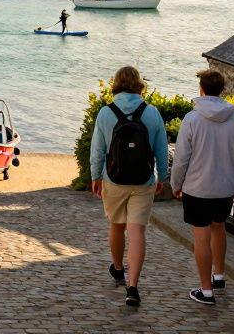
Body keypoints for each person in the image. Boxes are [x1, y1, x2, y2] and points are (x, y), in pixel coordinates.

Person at [169, 69, 234, 306]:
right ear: (221, 90)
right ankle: (219, 275)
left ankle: (206, 291)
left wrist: (176, 184)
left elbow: (182, 157)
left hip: (197, 188)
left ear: (201, 90)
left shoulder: (192, 119)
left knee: (202, 236)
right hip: (225, 188)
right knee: (219, 228)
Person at [89, 66, 168, 307]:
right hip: (143, 180)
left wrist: (95, 176)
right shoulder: (152, 112)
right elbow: (161, 149)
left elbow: (98, 150)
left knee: (116, 225)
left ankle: (118, 268)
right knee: (137, 232)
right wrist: (162, 177)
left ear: (116, 84)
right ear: (138, 85)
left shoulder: (105, 112)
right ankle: (133, 287)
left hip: (114, 179)